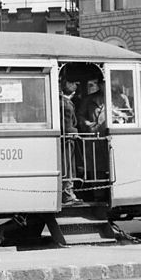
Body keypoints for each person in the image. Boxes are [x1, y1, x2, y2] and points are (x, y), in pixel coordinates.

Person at [60, 77, 82, 205]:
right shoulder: (66, 105)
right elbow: (67, 126)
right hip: (67, 141)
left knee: (68, 166)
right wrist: (76, 133)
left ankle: (68, 193)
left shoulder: (64, 102)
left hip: (67, 140)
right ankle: (68, 194)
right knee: (68, 166)